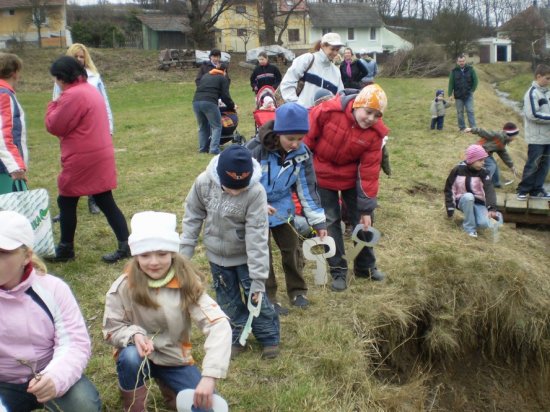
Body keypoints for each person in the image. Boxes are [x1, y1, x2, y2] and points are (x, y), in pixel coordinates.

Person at [103, 211, 232, 411]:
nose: (153, 262)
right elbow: (112, 328)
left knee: (205, 407)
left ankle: (170, 388)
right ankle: (134, 405)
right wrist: (134, 335)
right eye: (145, 255)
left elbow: (218, 324)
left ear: (173, 252)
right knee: (129, 358)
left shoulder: (187, 283)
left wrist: (209, 376)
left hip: (174, 358)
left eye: (162, 253)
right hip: (138, 354)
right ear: (136, 254)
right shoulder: (123, 286)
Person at [180, 145, 280, 359]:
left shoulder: (255, 193)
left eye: (240, 188)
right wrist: (183, 258)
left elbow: (257, 236)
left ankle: (269, 337)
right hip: (217, 257)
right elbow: (192, 217)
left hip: (246, 257)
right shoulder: (203, 183)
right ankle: (237, 335)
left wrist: (258, 278)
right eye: (230, 187)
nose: (235, 192)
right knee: (228, 301)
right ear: (220, 177)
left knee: (256, 298)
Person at [0, 210, 101, 412]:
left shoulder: (53, 289)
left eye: (2, 253)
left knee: (83, 404)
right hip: (4, 383)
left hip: (47, 373)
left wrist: (55, 377)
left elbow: (75, 342)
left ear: (26, 256)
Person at [304, 84, 389, 292]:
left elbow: (369, 172)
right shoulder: (327, 111)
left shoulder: (375, 135)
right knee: (330, 221)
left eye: (376, 115)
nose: (370, 119)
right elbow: (307, 139)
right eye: (368, 112)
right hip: (322, 174)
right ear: (357, 105)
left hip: (352, 178)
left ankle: (365, 267)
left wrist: (366, 208)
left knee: (364, 221)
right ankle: (338, 271)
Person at [45, 56, 130, 263]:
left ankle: (66, 249)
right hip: (99, 153)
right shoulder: (89, 89)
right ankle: (126, 244)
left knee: (65, 200)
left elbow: (54, 126)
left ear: (61, 77)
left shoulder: (71, 95)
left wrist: (52, 105)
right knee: (104, 200)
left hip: (82, 156)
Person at [246, 103, 327, 310]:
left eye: (300, 139)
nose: (295, 144)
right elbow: (243, 184)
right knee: (262, 254)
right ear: (278, 133)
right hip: (256, 208)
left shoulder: (302, 154)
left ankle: (297, 291)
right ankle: (269, 297)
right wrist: (257, 204)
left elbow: (307, 189)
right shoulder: (255, 150)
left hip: (283, 209)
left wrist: (318, 221)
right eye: (290, 138)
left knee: (292, 250)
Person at [53, 43, 114, 215]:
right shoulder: (61, 78)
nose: (79, 59)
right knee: (71, 170)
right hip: (72, 131)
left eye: (82, 56)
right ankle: (66, 205)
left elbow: (104, 103)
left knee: (95, 171)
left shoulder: (94, 77)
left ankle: (92, 201)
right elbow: (57, 103)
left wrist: (109, 127)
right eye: (76, 57)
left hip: (92, 130)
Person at [444, 145, 501, 238]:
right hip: (463, 200)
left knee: (484, 224)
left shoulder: (484, 173)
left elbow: (489, 190)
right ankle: (469, 228)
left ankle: (472, 219)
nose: (483, 163)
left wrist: (492, 208)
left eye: (484, 160)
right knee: (468, 197)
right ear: (471, 160)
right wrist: (450, 207)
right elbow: (449, 188)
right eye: (480, 160)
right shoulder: (457, 170)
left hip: (478, 203)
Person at [278, 32, 344, 108]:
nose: (335, 53)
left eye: (337, 50)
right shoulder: (307, 59)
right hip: (302, 114)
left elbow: (339, 97)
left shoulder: (336, 71)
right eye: (332, 49)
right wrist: (296, 106)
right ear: (322, 46)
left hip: (324, 117)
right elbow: (288, 82)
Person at [516, 64, 550, 200]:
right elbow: (533, 115)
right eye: (547, 78)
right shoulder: (531, 93)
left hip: (548, 137)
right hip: (536, 138)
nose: (549, 81)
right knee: (533, 164)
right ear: (538, 77)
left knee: (544, 165)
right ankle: (523, 190)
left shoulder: (547, 92)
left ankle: (537, 190)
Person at [192, 62, 235, 155]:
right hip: (209, 102)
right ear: (224, 71)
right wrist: (232, 106)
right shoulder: (222, 78)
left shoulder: (206, 75)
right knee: (217, 126)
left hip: (196, 101)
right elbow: (225, 96)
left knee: (203, 126)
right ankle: (214, 149)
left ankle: (203, 149)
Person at [0, 53, 27, 195]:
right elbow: (3, 136)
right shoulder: (4, 95)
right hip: (5, 170)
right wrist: (16, 167)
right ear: (15, 73)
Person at [464, 122, 519, 188]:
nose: (515, 138)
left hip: (487, 153)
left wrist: (511, 166)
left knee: (495, 166)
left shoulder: (503, 142)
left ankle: (496, 183)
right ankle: (481, 182)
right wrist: (472, 129)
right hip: (480, 151)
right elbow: (484, 132)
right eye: (514, 136)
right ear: (510, 134)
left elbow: (504, 154)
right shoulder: (498, 135)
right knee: (491, 165)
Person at [448, 54, 478, 131]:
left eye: (463, 61)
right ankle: (462, 128)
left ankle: (473, 128)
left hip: (468, 95)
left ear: (465, 61)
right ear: (457, 62)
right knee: (460, 112)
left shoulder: (471, 69)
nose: (461, 62)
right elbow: (451, 83)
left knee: (470, 111)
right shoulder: (454, 71)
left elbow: (476, 81)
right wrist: (450, 94)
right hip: (458, 96)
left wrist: (472, 90)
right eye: (460, 61)